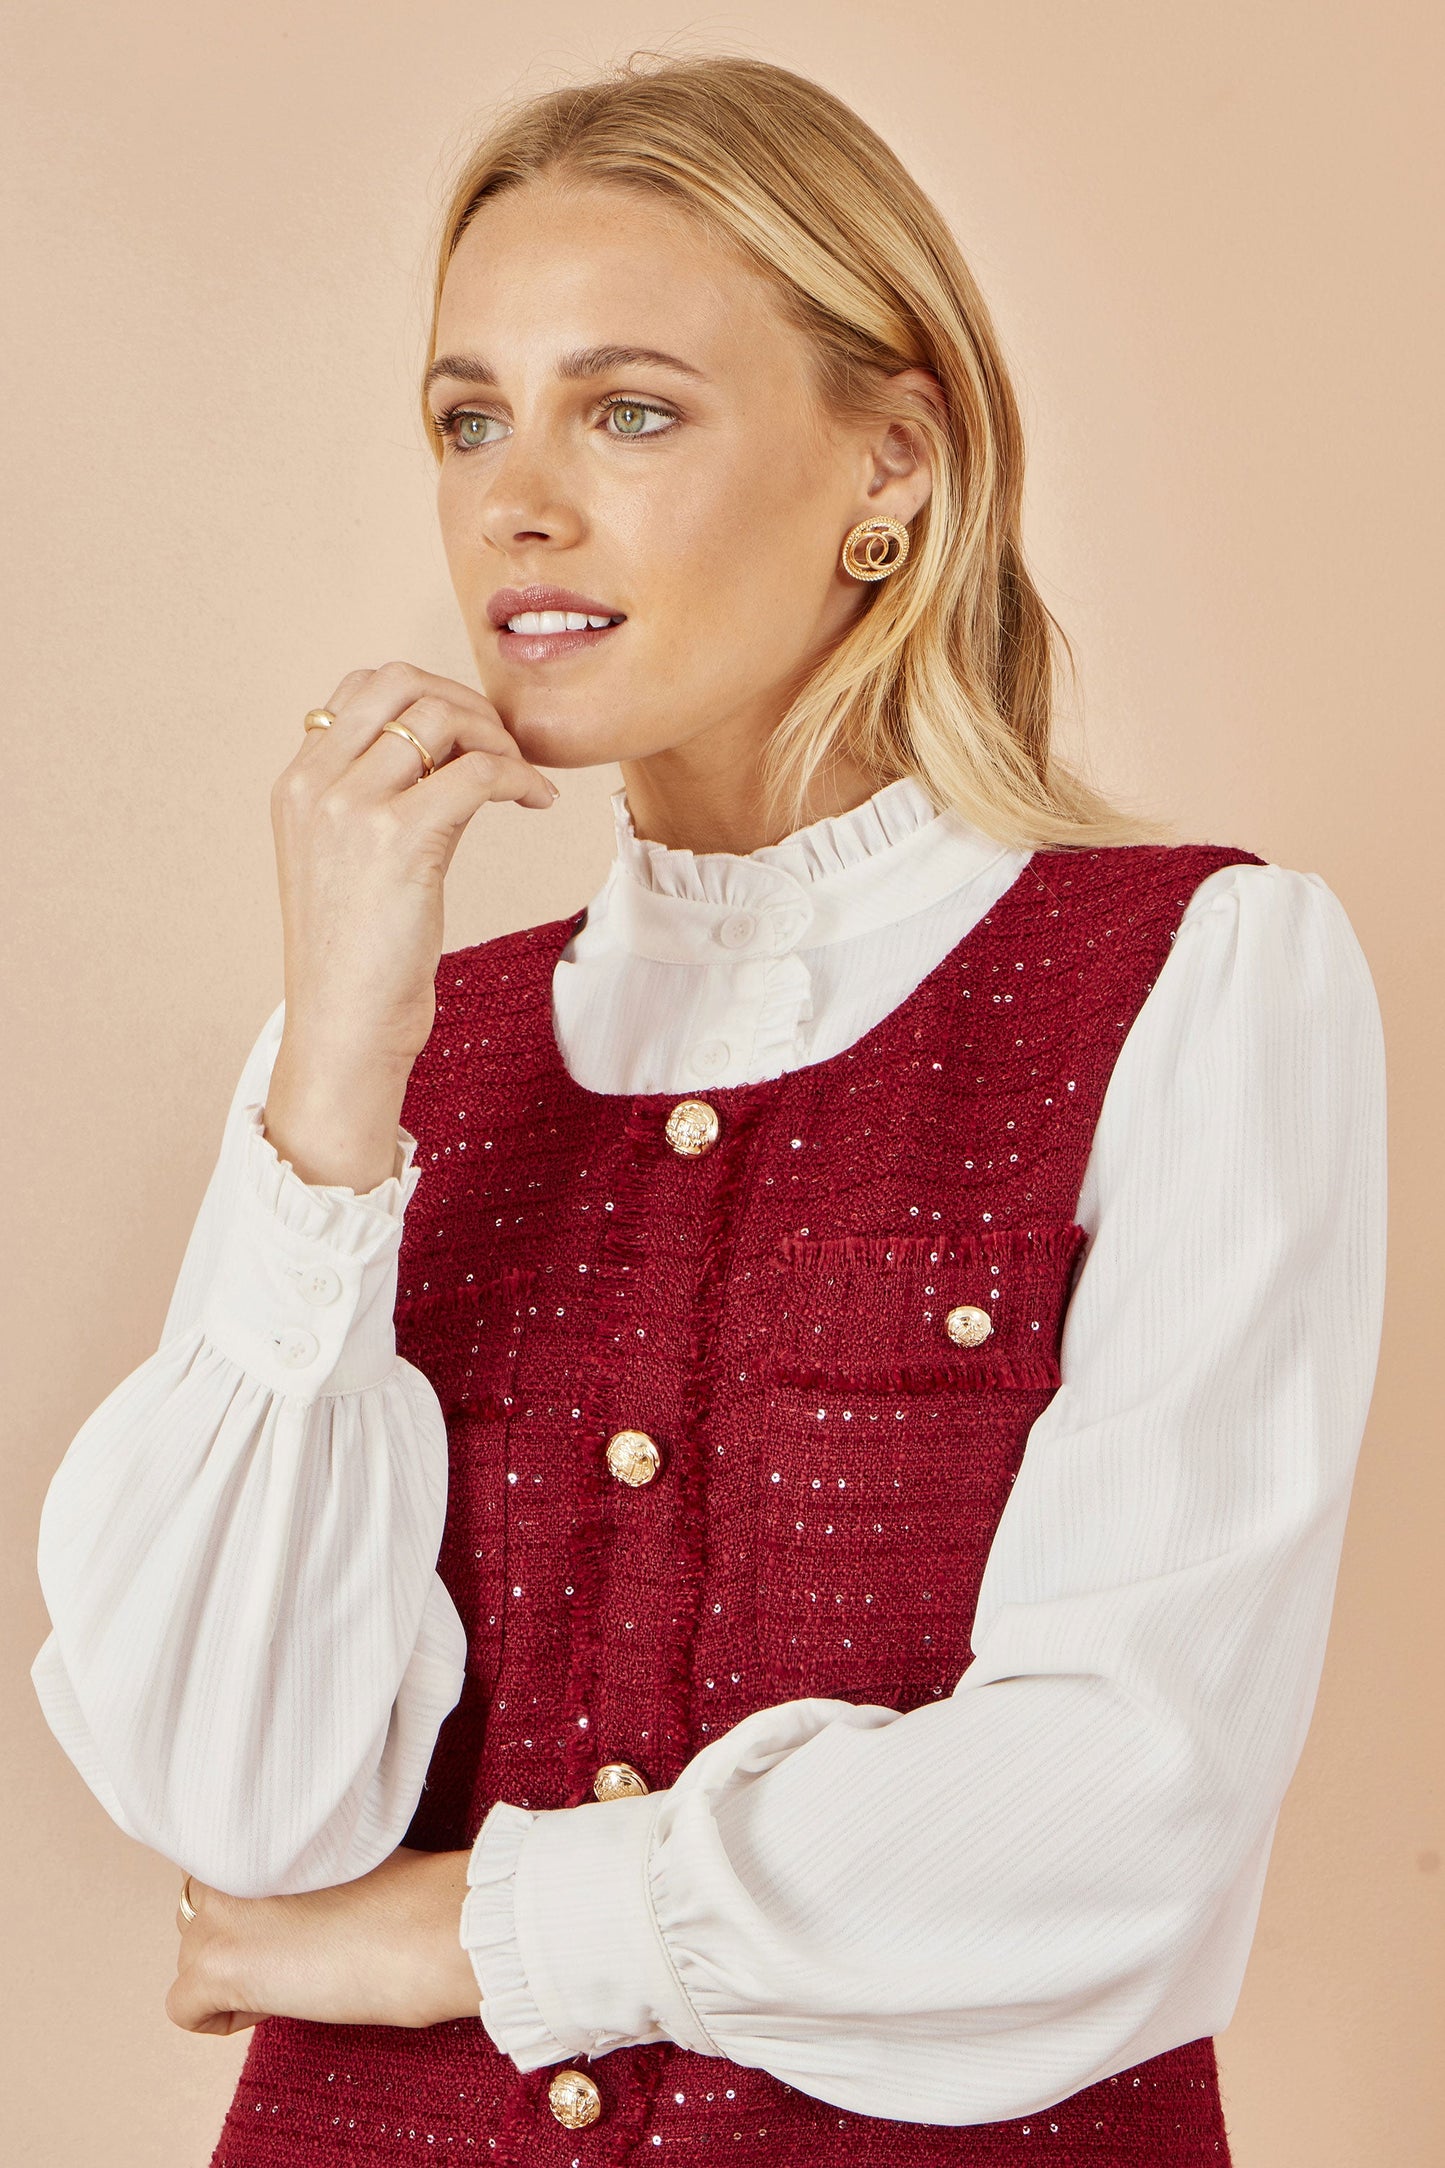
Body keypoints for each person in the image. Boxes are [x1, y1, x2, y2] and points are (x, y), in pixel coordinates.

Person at [29, 51, 1385, 2168]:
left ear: (895, 466)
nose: (517, 499)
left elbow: (1126, 1806)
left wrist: (468, 1927)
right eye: (470, 416)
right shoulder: (377, 1068)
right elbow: (231, 1789)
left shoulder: (1199, 978)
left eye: (630, 408)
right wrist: (333, 1074)